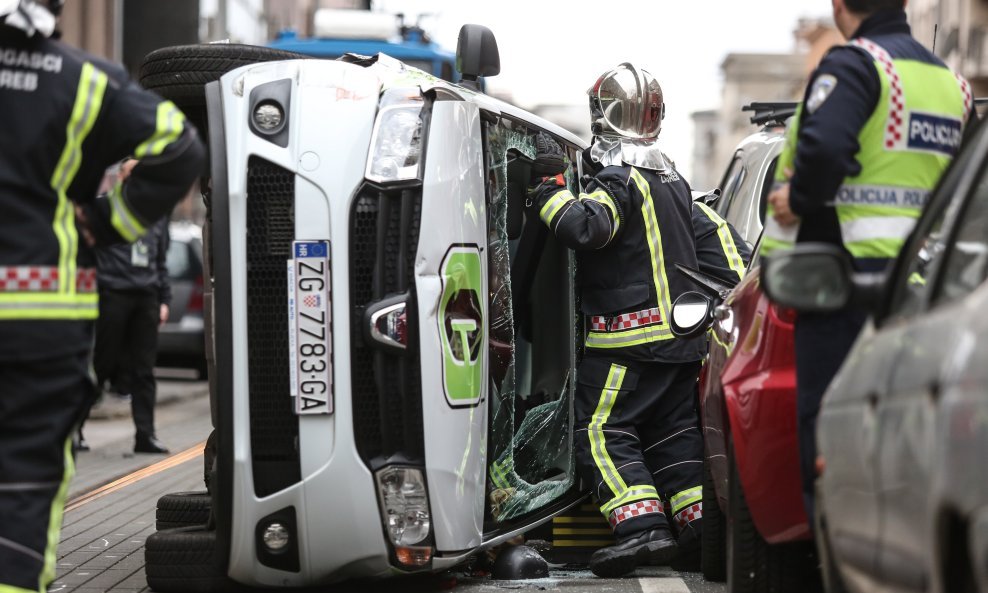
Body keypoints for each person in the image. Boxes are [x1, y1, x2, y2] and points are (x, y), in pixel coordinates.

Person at [0, 0, 205, 590]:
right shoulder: (84, 80)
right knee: (23, 487)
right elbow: (181, 147)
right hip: (39, 318)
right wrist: (107, 221)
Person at [527, 63, 750, 578]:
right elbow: (726, 251)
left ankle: (642, 528)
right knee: (674, 434)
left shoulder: (618, 177)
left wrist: (546, 192)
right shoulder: (670, 179)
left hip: (626, 342)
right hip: (680, 343)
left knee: (602, 429)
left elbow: (589, 228)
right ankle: (695, 526)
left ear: (604, 114)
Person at [763, 0, 975, 523]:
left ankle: (840, 558)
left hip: (848, 286)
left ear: (839, 4)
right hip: (930, 289)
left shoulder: (857, 64)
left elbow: (826, 148)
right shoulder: (952, 84)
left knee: (833, 433)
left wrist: (801, 199)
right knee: (912, 436)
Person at [90, 159, 173, 454]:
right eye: (131, 173)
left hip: (146, 297)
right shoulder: (102, 208)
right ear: (120, 176)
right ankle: (74, 431)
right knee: (100, 364)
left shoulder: (157, 213)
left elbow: (160, 261)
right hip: (111, 294)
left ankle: (145, 435)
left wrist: (164, 300)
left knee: (144, 370)